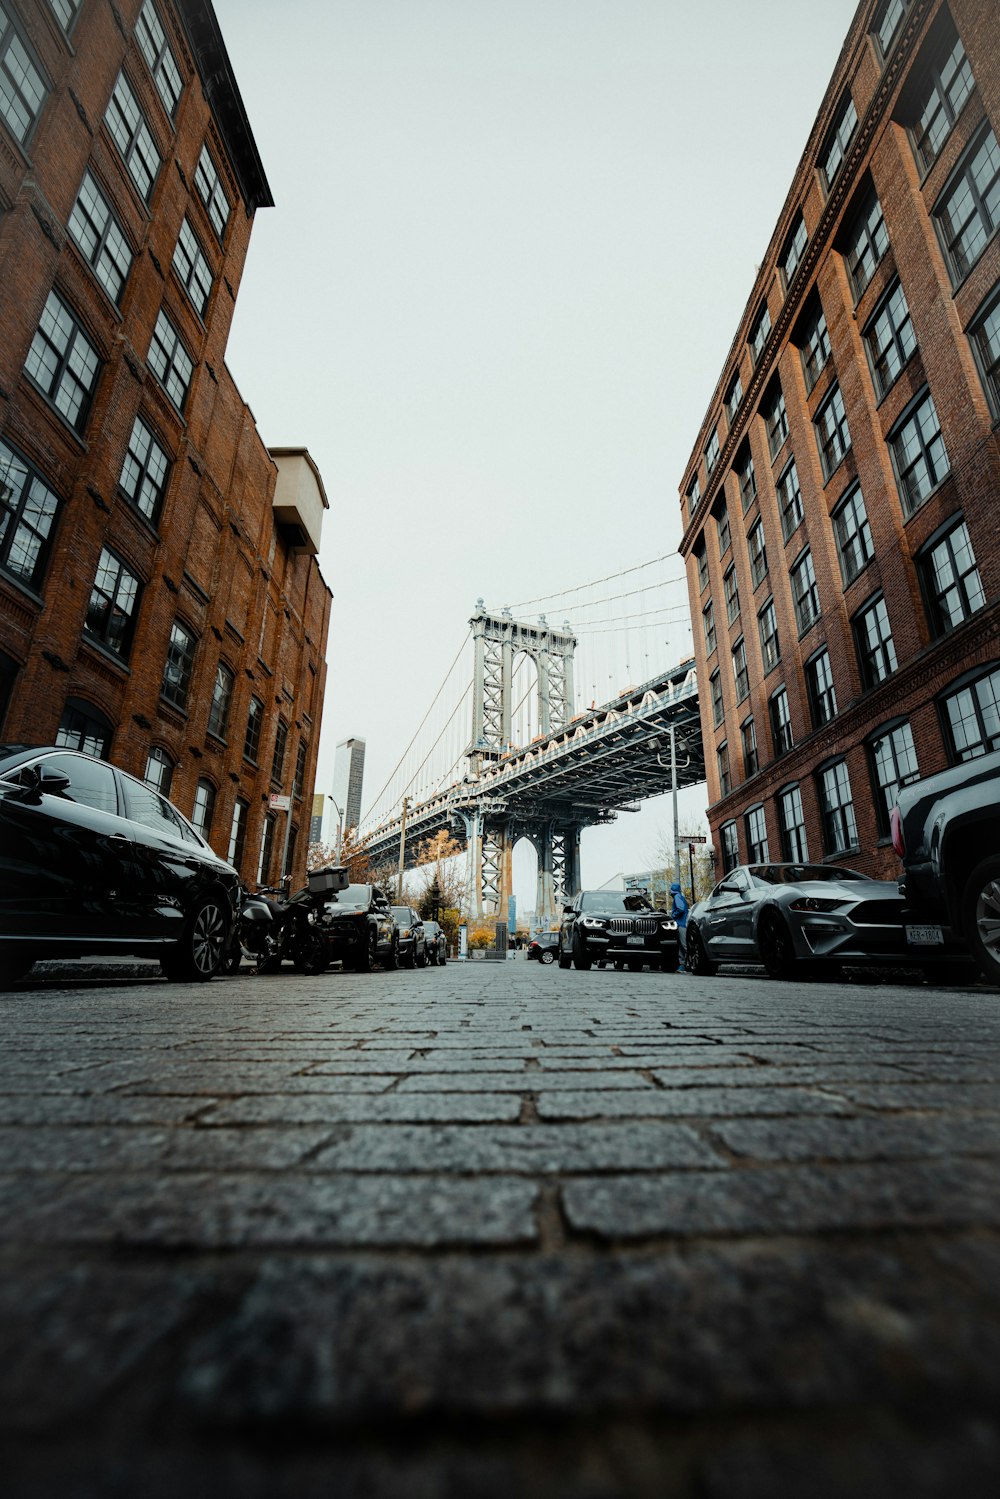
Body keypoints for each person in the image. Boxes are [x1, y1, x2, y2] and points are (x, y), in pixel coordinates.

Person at [669, 880, 688, 972]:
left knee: (683, 945)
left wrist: (673, 915)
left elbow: (680, 909)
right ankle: (683, 965)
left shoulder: (677, 897)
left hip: (681, 924)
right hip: (683, 923)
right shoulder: (680, 896)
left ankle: (685, 964)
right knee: (682, 945)